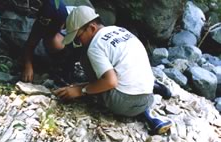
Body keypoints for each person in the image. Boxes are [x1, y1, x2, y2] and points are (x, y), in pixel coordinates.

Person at [53, 6, 172, 134]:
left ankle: (140, 110)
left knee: (85, 58)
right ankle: (152, 89)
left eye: (77, 38)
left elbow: (110, 82)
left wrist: (80, 90)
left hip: (125, 104)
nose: (79, 43)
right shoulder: (120, 30)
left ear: (92, 28)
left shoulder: (95, 46)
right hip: (148, 96)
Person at [21, 0, 86, 83]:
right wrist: (28, 66)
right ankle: (59, 64)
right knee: (53, 43)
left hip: (80, 44)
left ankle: (72, 65)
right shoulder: (44, 20)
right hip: (64, 40)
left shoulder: (79, 20)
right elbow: (30, 44)